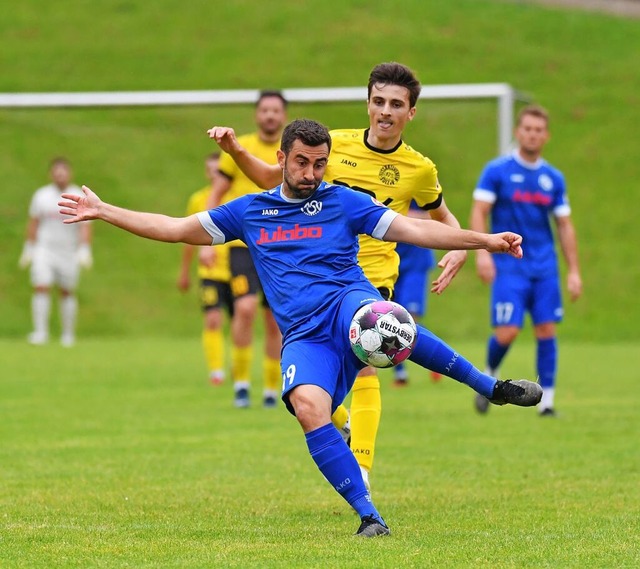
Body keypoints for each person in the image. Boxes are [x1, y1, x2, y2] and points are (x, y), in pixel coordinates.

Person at [59, 118, 542, 537]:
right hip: (305, 336)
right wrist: (105, 211)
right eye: (302, 163)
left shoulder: (344, 202)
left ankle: (491, 386)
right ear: (282, 158)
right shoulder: (249, 212)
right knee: (308, 408)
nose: (312, 174)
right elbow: (172, 227)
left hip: (347, 303)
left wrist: (485, 241)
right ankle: (369, 517)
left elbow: (416, 229)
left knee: (383, 320)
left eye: (319, 164)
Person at [207, 62, 468, 490]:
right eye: (379, 101)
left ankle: (361, 468)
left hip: (371, 278)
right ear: (367, 104)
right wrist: (236, 152)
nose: (385, 111)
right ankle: (341, 422)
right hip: (314, 279)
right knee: (314, 386)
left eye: (396, 104)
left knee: (367, 364)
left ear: (411, 112)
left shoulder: (419, 169)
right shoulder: (334, 145)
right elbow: (272, 179)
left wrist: (458, 245)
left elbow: (440, 215)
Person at [470, 105, 582, 417]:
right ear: (518, 132)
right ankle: (488, 373)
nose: (532, 134)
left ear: (545, 136)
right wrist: (482, 254)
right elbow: (480, 210)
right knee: (508, 331)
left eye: (538, 130)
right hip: (509, 265)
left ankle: (546, 403)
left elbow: (564, 225)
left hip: (544, 267)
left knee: (546, 330)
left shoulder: (552, 178)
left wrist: (574, 271)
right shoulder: (497, 171)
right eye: (527, 129)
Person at [202, 90, 288, 408]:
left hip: (280, 245)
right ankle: (240, 383)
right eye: (265, 110)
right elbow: (217, 191)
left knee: (274, 319)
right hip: (244, 245)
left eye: (275, 111)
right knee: (246, 309)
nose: (270, 116)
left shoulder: (290, 151)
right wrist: (206, 240)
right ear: (256, 114)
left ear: (284, 116)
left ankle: (269, 388)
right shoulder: (238, 149)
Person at [19, 157, 92, 347]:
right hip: (45, 249)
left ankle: (68, 334)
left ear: (70, 173)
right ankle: (40, 332)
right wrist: (29, 247)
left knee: (66, 290)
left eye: (64, 171)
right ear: (51, 174)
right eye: (57, 171)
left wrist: (84, 248)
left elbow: (85, 225)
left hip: (68, 250)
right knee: (41, 286)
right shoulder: (41, 195)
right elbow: (34, 222)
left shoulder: (78, 195)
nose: (60, 175)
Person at [177, 152, 233, 386]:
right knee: (212, 319)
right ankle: (216, 370)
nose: (213, 173)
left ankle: (238, 368)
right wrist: (184, 271)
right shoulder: (198, 200)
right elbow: (188, 237)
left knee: (240, 319)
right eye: (209, 168)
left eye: (216, 168)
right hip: (209, 272)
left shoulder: (235, 197)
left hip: (236, 269)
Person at [392, 201, 441, 387]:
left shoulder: (418, 178)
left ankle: (437, 359)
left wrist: (399, 216)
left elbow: (437, 217)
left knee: (409, 317)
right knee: (388, 316)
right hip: (388, 257)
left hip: (416, 260)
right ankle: (400, 373)